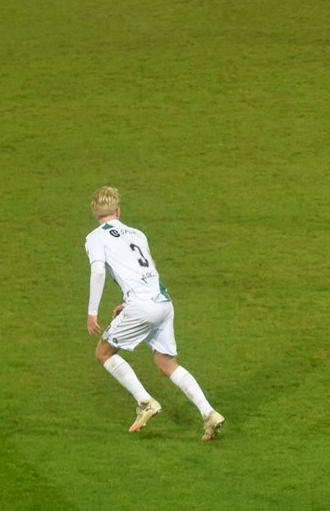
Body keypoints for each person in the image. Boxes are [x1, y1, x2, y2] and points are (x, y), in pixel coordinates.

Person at [84, 186, 225, 441]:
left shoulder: (95, 237)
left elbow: (98, 271)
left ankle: (145, 402)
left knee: (104, 352)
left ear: (95, 214)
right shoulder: (138, 234)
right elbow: (146, 272)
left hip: (141, 305)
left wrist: (92, 312)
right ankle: (209, 413)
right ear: (118, 211)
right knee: (166, 363)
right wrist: (128, 303)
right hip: (163, 302)